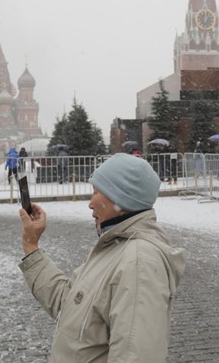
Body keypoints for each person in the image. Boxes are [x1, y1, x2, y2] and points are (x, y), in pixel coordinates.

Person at [18, 153, 185, 362]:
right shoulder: (114, 246)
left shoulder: (139, 263)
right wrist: (31, 247)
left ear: (120, 200)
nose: (90, 203)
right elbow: (68, 304)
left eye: (96, 192)